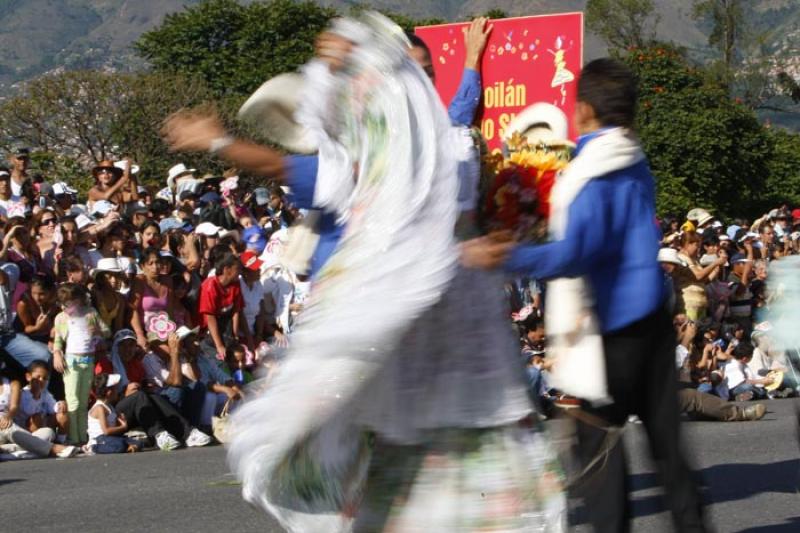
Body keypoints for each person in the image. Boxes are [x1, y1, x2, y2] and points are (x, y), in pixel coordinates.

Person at [165, 13, 564, 531]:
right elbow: (287, 166)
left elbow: (458, 126)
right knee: (375, 433)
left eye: (421, 74)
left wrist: (508, 225)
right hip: (386, 299)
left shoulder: (441, 148)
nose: (411, 87)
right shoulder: (363, 160)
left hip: (443, 307)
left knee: (448, 437)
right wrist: (217, 142)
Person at [464, 58, 707, 532]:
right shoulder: (635, 161)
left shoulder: (589, 173)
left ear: (584, 110)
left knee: (598, 455)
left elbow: (575, 255)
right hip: (653, 319)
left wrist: (508, 255)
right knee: (669, 452)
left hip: (610, 330)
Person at [52, 283, 110, 444]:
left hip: (88, 360)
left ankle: (82, 438)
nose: (67, 306)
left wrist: (98, 332)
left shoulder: (91, 313)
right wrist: (57, 354)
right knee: (73, 401)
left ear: (79, 299)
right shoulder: (61, 318)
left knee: (83, 401)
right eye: (64, 303)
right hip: (71, 361)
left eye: (70, 302)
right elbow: (57, 340)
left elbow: (106, 331)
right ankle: (73, 437)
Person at [0, 365, 77, 459]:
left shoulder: (13, 384)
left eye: (44, 378)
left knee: (48, 432)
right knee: (14, 428)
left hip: (8, 426)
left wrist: (8, 417)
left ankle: (8, 450)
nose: (41, 380)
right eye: (38, 377)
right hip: (12, 429)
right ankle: (53, 449)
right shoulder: (25, 393)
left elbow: (14, 407)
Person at [86, 373, 143, 454]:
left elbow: (113, 427)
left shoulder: (110, 406)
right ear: (109, 392)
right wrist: (123, 427)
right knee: (120, 446)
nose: (117, 391)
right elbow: (106, 431)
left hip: (110, 438)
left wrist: (120, 420)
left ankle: (128, 447)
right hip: (99, 439)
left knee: (139, 442)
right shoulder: (100, 408)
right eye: (115, 389)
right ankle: (93, 448)